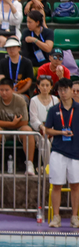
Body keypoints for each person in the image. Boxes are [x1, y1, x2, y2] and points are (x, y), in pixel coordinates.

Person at [45, 76, 79, 227]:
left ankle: (74, 217)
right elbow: (47, 130)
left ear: (72, 91)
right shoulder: (53, 110)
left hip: (76, 152)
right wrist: (61, 133)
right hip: (58, 151)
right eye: (60, 90)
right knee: (56, 184)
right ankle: (56, 217)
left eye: (65, 89)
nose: (63, 93)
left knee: (75, 185)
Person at [0, 77, 34, 175]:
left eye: (7, 90)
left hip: (18, 129)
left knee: (28, 130)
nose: (4, 92)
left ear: (12, 89)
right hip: (2, 130)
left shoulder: (20, 100)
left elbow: (25, 121)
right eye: (1, 90)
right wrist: (12, 124)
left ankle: (30, 164)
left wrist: (14, 125)